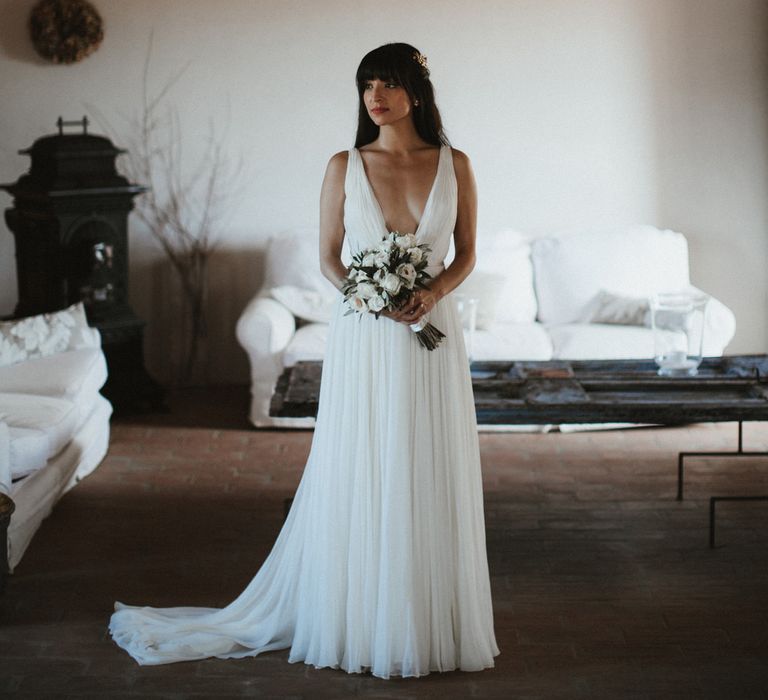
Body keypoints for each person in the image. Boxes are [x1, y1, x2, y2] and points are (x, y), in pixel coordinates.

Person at [109, 42, 500, 680]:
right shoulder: (344, 164)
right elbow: (327, 256)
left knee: (427, 457)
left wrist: (430, 293)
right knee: (365, 459)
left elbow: (467, 253)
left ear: (417, 94)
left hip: (434, 333)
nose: (375, 94)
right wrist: (365, 294)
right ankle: (359, 617)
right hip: (367, 335)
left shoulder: (455, 164)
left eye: (389, 82)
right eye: (368, 82)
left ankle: (428, 622)